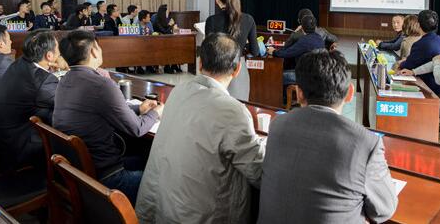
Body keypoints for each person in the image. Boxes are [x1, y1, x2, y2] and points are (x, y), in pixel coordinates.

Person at [136, 33, 265, 223]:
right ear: (237, 69)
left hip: (160, 210)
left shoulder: (178, 91)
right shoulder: (232, 111)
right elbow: (259, 172)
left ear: (200, 63)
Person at [257, 49, 397, 224]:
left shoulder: (278, 124)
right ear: (350, 93)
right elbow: (384, 209)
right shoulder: (366, 143)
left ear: (299, 93)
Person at [54, 30, 162, 204]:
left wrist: (139, 108)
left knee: (146, 158)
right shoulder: (101, 84)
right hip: (108, 178)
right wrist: (157, 112)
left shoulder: (65, 80)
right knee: (164, 178)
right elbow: (137, 129)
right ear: (93, 51)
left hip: (80, 172)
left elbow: (99, 108)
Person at [0, 30, 64, 169]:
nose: (60, 53)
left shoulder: (20, 63)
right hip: (16, 149)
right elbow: (68, 103)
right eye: (58, 49)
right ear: (49, 55)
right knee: (69, 129)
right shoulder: (42, 81)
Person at [205, 0, 260, 101]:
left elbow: (208, 52)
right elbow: (255, 51)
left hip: (216, 70)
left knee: (216, 106)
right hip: (238, 69)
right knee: (238, 106)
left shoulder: (211, 21)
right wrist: (243, 47)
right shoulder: (248, 19)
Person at [398, 10, 440, 98]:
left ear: (418, 24)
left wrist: (401, 62)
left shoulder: (421, 44)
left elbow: (407, 66)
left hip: (428, 90)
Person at [268, 15, 325, 86]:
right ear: (315, 26)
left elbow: (287, 53)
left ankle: (283, 94)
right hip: (317, 74)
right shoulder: (319, 38)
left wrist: (273, 51)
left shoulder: (304, 40)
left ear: (301, 27)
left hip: (307, 76)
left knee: (277, 76)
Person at [153, 4, 181, 74]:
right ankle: (167, 66)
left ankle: (174, 65)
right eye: (167, 11)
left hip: (168, 39)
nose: (168, 12)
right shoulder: (157, 20)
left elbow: (170, 30)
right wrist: (170, 25)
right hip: (159, 40)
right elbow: (164, 31)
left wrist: (174, 27)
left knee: (177, 46)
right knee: (168, 47)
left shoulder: (167, 18)